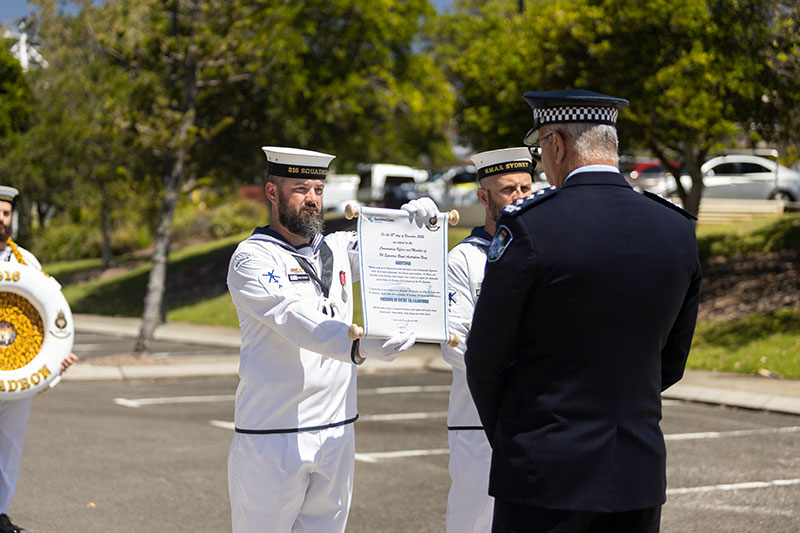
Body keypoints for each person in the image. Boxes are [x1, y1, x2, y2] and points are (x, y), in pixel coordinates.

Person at [464, 90, 702, 533]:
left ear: (557, 144)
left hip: (545, 472)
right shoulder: (675, 229)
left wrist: (519, 437)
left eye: (541, 150)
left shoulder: (530, 225)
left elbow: (486, 357)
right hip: (637, 472)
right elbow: (671, 361)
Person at [225, 147, 439, 533]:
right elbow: (291, 317)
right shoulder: (251, 258)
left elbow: (391, 255)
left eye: (318, 189)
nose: (312, 200)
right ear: (272, 193)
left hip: (338, 428)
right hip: (274, 434)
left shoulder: (337, 247)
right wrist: (354, 345)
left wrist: (415, 224)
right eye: (300, 189)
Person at [441, 147, 534, 532]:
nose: (520, 197)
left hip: (537, 421)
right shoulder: (462, 260)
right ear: (484, 197)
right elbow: (455, 342)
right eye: (508, 189)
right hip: (479, 424)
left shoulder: (544, 251)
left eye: (526, 188)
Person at [0, 186, 78, 533]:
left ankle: (0, 513)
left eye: (5, 213)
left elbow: (48, 316)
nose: (1, 220)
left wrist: (54, 362)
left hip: (15, 372)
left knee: (9, 444)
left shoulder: (26, 262)